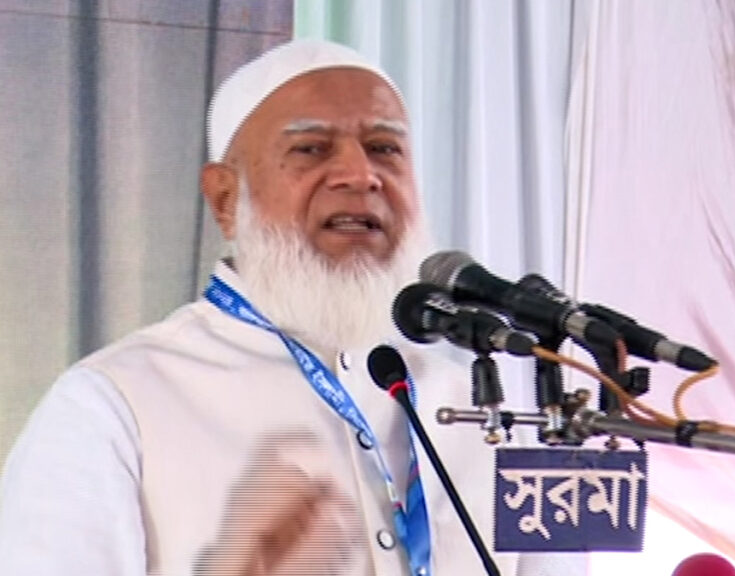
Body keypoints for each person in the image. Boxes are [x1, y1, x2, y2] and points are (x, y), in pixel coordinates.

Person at [0, 39, 579, 576]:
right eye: (311, 149)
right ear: (225, 198)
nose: (361, 175)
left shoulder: (470, 403)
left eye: (384, 149)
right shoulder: (115, 406)